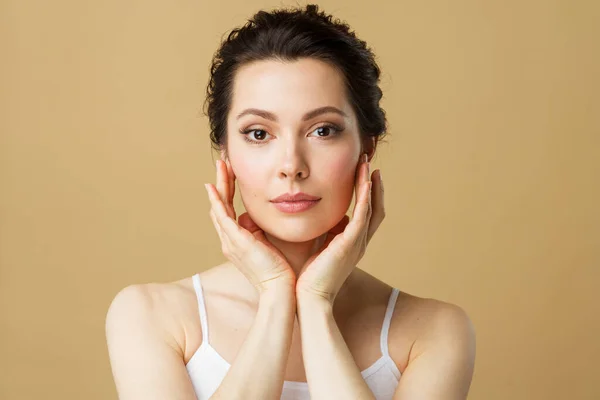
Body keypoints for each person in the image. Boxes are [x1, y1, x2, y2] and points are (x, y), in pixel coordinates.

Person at [105, 4, 476, 399]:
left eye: (322, 130)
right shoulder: (150, 315)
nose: (291, 166)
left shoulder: (433, 331)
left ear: (366, 149)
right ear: (226, 153)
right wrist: (274, 295)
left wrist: (315, 304)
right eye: (259, 134)